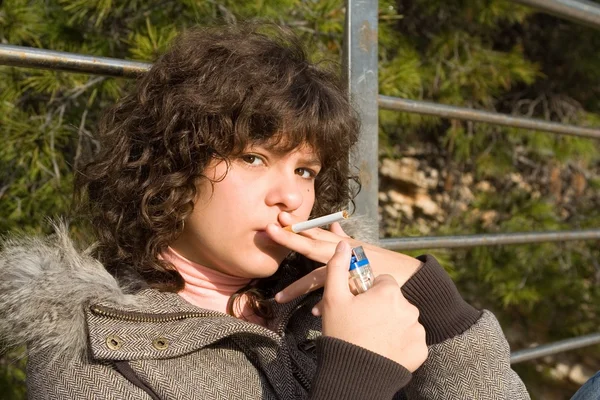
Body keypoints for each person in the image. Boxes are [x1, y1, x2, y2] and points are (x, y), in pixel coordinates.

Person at [0, 23, 530, 399]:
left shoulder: (334, 300)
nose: (292, 196)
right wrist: (357, 378)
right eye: (254, 157)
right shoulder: (92, 353)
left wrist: (433, 301)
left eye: (305, 170)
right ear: (170, 165)